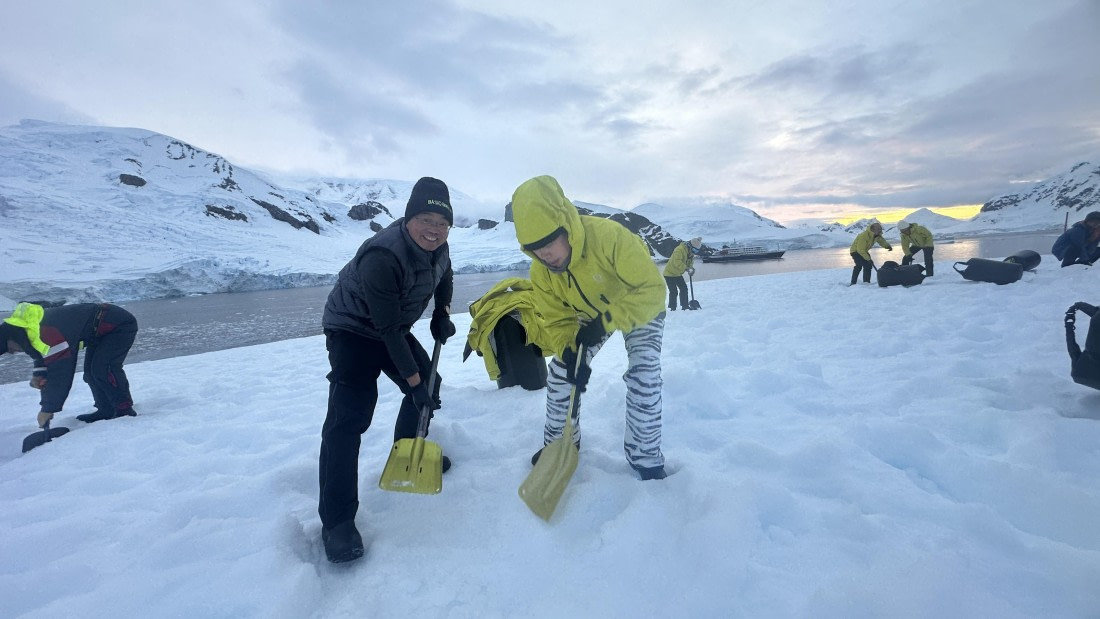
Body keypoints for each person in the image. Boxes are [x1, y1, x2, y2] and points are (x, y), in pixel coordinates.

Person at [317, 176, 457, 564]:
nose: (435, 230)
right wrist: (414, 384)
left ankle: (406, 454)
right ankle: (337, 522)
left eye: (443, 223)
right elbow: (388, 331)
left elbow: (444, 275)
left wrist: (441, 314)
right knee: (349, 417)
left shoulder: (439, 244)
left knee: (431, 382)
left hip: (391, 325)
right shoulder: (383, 255)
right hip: (352, 329)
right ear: (409, 217)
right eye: (427, 219)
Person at [511, 175, 668, 481]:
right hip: (587, 315)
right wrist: (569, 350)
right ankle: (560, 445)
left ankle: (644, 457)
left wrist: (606, 321)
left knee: (644, 373)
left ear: (566, 226)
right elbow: (557, 319)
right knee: (560, 373)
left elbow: (651, 290)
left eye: (547, 243)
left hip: (639, 306)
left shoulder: (610, 237)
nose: (543, 254)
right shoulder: (541, 272)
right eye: (533, 249)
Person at [1, 302, 138, 427]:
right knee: (91, 373)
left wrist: (48, 409)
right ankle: (106, 409)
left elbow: (61, 371)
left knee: (103, 369)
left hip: (118, 325)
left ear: (9, 337)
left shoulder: (45, 331)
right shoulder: (28, 331)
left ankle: (124, 409)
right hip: (98, 332)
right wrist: (39, 374)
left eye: (9, 348)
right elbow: (41, 356)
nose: (12, 352)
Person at [662, 237, 702, 311]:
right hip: (669, 273)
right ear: (690, 246)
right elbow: (677, 262)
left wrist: (691, 269)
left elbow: (690, 262)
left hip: (677, 274)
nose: (694, 252)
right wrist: (687, 268)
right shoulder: (679, 250)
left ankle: (685, 306)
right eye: (694, 249)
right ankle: (672, 308)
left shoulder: (690, 253)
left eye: (696, 250)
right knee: (673, 291)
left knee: (684, 289)